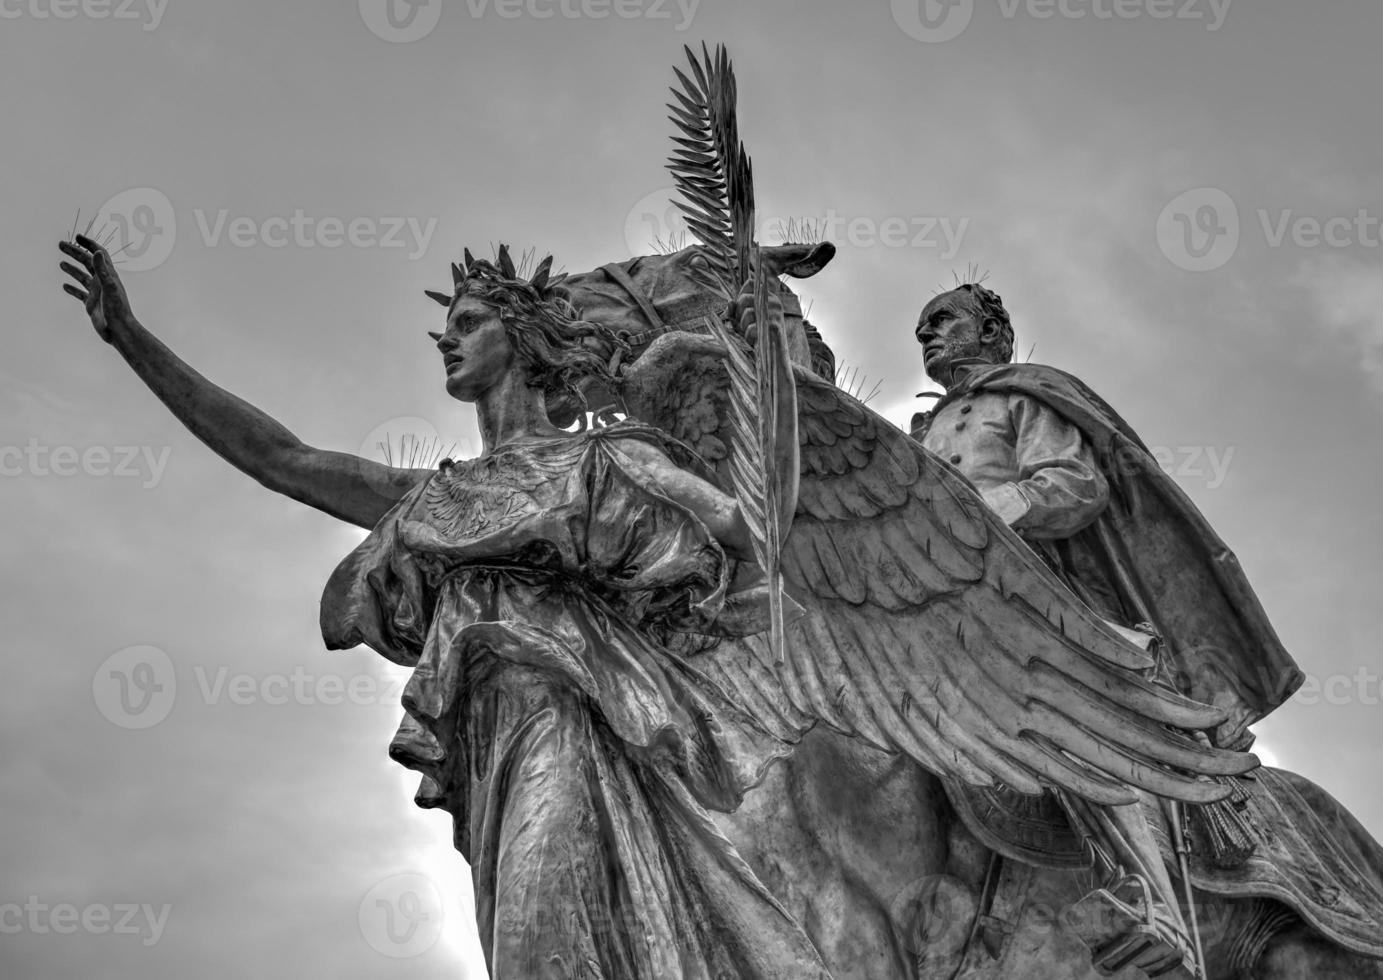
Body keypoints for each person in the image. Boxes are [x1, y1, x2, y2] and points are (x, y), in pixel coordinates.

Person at [58, 236, 832, 979]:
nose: (447, 340)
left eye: (469, 323)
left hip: (580, 718)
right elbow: (282, 461)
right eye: (446, 327)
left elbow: (748, 526)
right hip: (486, 746)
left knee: (541, 944)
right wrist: (132, 340)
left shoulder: (608, 459)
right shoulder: (439, 496)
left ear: (522, 334)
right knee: (533, 945)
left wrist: (775, 375)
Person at [910, 283, 1304, 976]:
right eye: (921, 328)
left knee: (1077, 721)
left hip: (1039, 601)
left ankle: (1151, 900)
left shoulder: (1023, 399)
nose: (926, 335)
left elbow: (1072, 484)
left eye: (942, 321)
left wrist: (992, 511)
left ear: (993, 332)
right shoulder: (919, 430)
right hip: (944, 609)